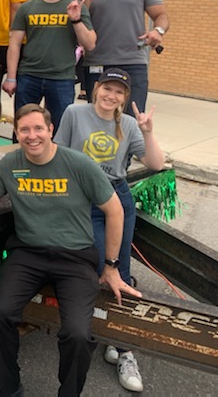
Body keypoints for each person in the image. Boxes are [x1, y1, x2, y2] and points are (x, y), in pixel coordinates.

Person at [0, 103, 142, 397]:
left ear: (51, 130)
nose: (32, 135)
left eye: (38, 128)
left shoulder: (78, 164)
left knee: (77, 333)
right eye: (24, 129)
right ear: (16, 133)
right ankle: (8, 386)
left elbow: (115, 211)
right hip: (28, 253)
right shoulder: (11, 165)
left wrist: (111, 266)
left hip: (75, 257)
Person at [55, 68, 164, 392]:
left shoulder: (129, 125)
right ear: (96, 88)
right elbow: (58, 153)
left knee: (118, 270)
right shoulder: (75, 113)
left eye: (119, 92)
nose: (111, 96)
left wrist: (147, 132)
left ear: (124, 97)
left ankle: (124, 347)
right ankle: (99, 328)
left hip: (115, 200)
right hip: (79, 198)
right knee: (92, 267)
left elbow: (156, 163)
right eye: (107, 89)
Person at [78, 0, 169, 116]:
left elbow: (161, 16)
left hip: (133, 62)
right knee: (97, 121)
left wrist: (158, 31)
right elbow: (78, 20)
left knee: (132, 120)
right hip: (97, 63)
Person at [4, 0, 96, 133]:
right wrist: (11, 77)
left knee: (60, 129)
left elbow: (90, 44)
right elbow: (14, 44)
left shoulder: (76, 7)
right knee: (23, 126)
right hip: (29, 76)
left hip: (62, 79)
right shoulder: (27, 8)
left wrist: (76, 20)